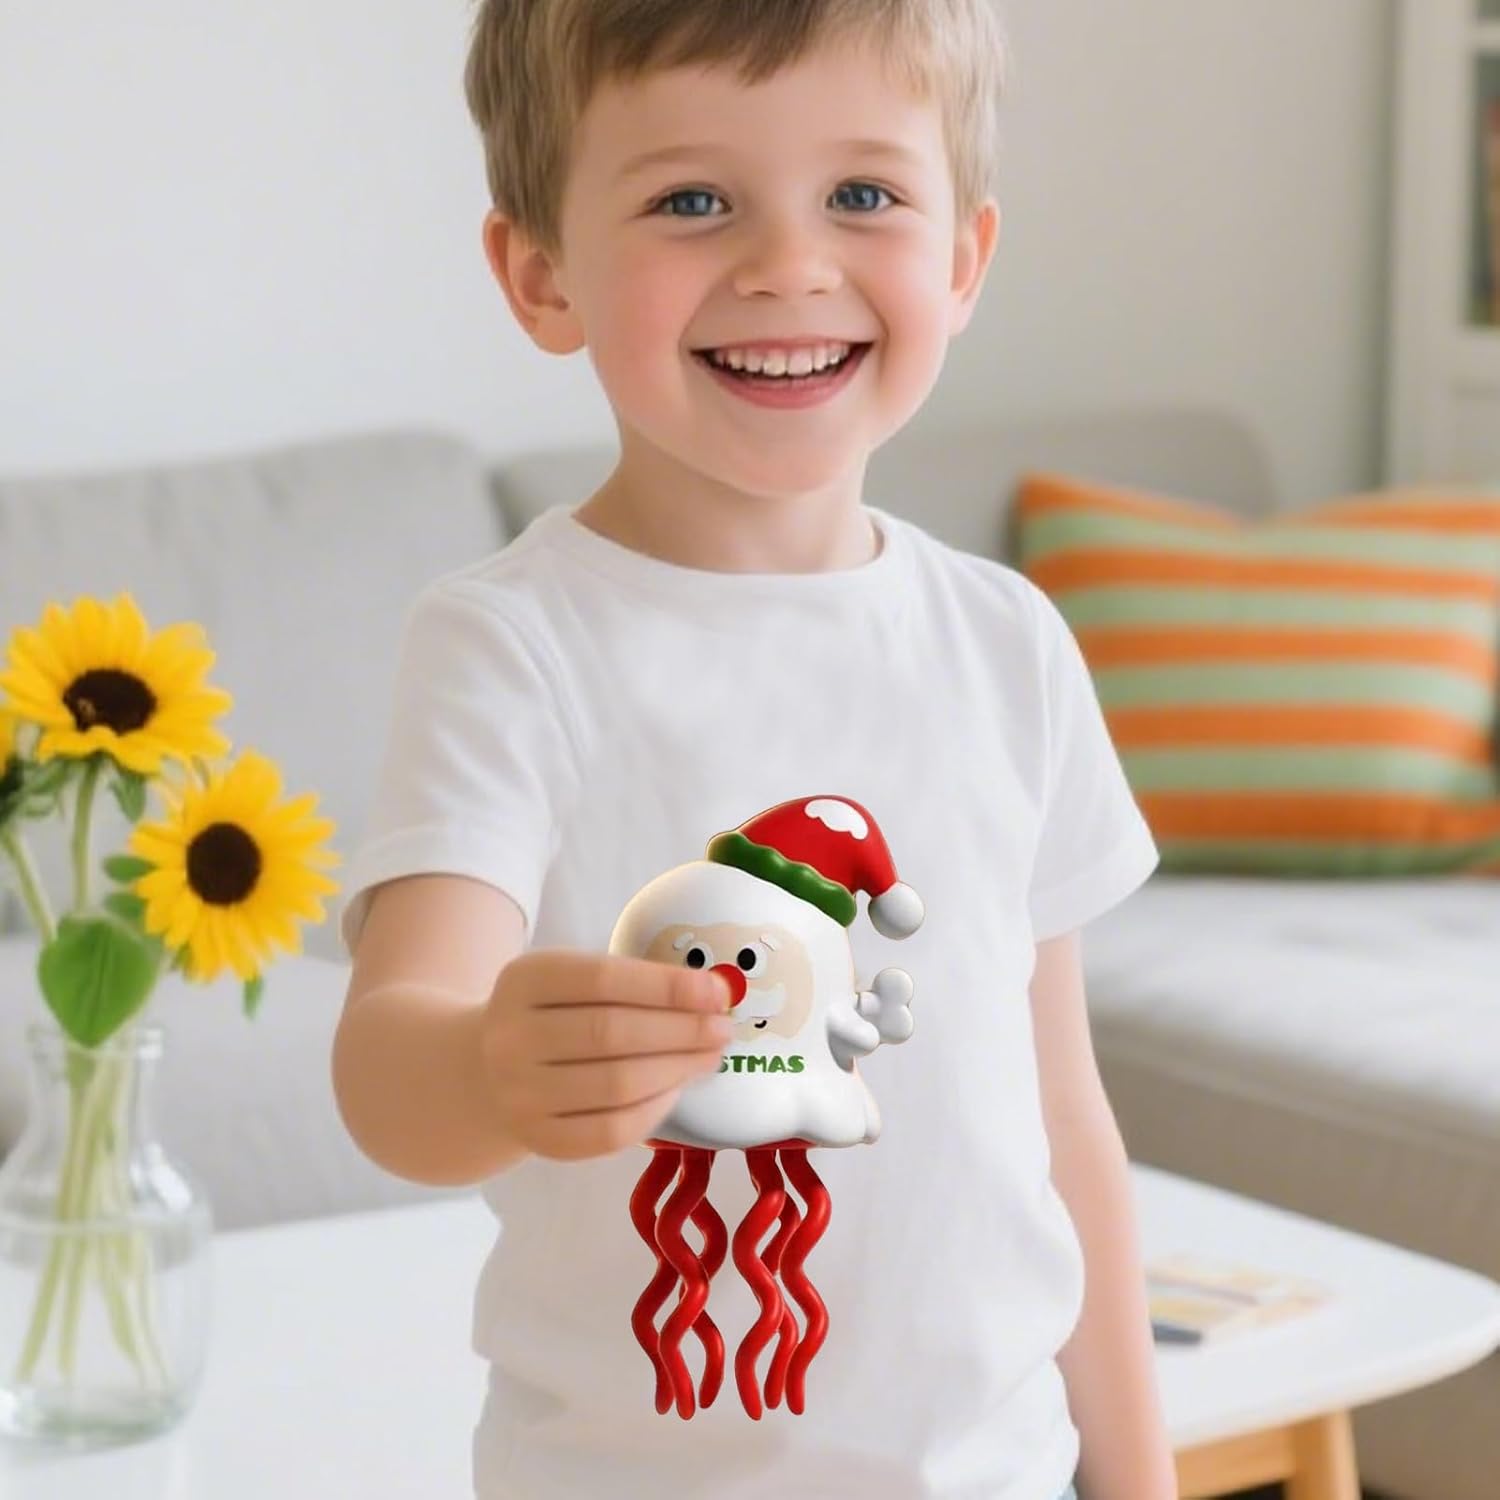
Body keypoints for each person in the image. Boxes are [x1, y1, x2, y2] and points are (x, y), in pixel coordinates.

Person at [331, 3, 1177, 1497]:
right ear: (542, 274)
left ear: (963, 256)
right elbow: (391, 1061)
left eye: (861, 192)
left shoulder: (1009, 643)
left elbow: (1063, 1124)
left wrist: (1140, 1475)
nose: (789, 264)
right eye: (691, 201)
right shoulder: (510, 646)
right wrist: (482, 1069)